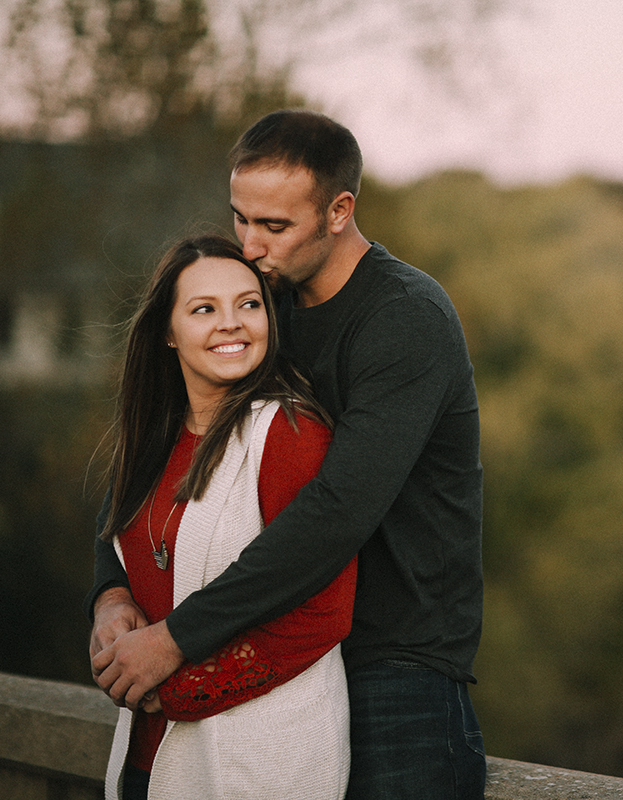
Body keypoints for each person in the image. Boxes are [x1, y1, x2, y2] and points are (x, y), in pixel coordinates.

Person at [88, 110, 486, 799]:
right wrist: (110, 590)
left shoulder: (405, 316)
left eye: (274, 226)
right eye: (241, 218)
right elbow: (168, 443)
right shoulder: (263, 306)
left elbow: (336, 511)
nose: (250, 244)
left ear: (339, 211)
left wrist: (175, 637)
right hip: (280, 659)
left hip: (399, 665)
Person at [96, 233, 355, 799]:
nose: (232, 323)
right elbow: (119, 547)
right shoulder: (154, 441)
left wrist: (178, 686)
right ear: (167, 331)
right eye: (204, 309)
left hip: (257, 764)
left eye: (249, 304)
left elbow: (323, 613)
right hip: (145, 758)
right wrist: (109, 602)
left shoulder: (288, 434)